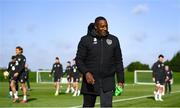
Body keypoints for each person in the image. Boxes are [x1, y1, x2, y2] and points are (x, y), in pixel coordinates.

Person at [75, 16, 124, 107]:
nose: (105, 28)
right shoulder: (85, 40)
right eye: (102, 26)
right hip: (90, 82)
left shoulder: (114, 40)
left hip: (107, 82)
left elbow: (118, 61)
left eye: (106, 26)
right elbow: (79, 60)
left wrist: (121, 80)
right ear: (96, 27)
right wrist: (86, 73)